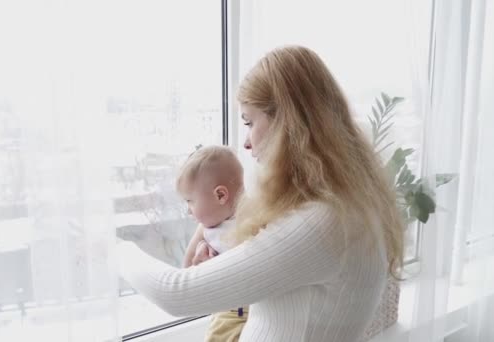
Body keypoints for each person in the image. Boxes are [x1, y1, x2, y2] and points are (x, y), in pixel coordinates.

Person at [117, 45, 404, 342]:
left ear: (287, 123)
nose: (246, 143)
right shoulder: (346, 205)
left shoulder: (325, 222)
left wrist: (114, 248)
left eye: (249, 122)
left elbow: (175, 293)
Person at [177, 145, 248, 341]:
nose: (189, 211)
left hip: (247, 312)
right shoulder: (207, 228)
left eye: (190, 201)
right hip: (226, 313)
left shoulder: (253, 220)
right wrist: (200, 249)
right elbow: (187, 268)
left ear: (220, 196)